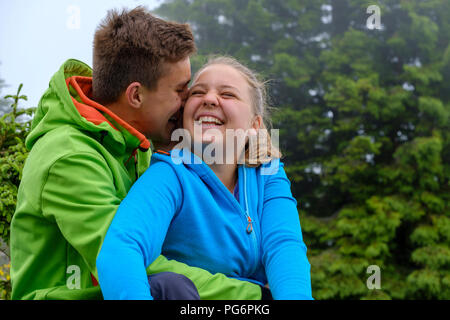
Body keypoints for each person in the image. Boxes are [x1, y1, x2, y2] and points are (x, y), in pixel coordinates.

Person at [10, 7, 264, 300]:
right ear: (136, 95)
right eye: (181, 90)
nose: (187, 102)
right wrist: (254, 296)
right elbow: (132, 260)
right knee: (170, 287)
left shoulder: (135, 146)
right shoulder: (69, 158)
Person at [96, 56, 313, 300]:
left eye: (228, 94)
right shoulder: (170, 173)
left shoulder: (268, 174)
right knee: (168, 285)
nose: (209, 99)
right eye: (198, 93)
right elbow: (121, 248)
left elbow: (284, 246)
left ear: (255, 124)